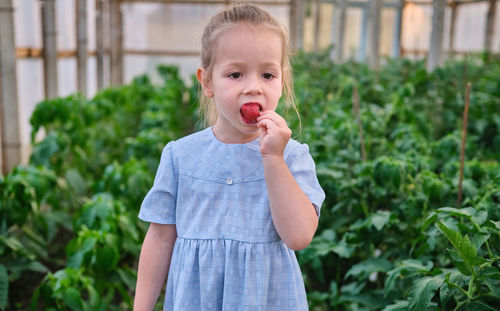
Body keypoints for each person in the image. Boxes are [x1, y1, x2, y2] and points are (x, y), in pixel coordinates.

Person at [134, 3, 325, 310]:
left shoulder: (292, 157)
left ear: (282, 80)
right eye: (235, 74)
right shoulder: (180, 156)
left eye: (267, 74)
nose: (253, 88)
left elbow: (299, 236)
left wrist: (273, 160)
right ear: (207, 82)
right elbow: (159, 239)